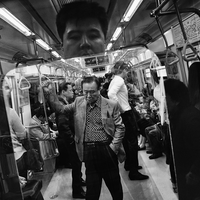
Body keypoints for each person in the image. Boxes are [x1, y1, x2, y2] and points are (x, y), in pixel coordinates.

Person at [43, 76, 125, 200]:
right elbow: (60, 109)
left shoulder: (111, 105)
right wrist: (50, 93)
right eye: (85, 92)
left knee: (115, 187)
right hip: (88, 151)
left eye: (92, 92)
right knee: (92, 190)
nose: (88, 95)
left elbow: (120, 127)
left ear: (99, 89)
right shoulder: (78, 102)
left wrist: (114, 147)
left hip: (106, 149)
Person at [108, 61, 149, 181]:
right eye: (126, 70)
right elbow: (111, 95)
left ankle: (129, 165)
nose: (127, 73)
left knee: (126, 141)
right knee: (132, 142)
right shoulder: (119, 80)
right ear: (123, 70)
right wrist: (120, 109)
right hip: (126, 114)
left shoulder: (115, 79)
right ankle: (134, 172)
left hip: (123, 114)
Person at [164, 78, 200, 200]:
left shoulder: (190, 121)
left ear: (176, 100)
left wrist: (194, 173)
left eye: (166, 99)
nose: (164, 103)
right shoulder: (178, 118)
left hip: (193, 182)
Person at [55, 81, 86, 199]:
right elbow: (63, 125)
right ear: (63, 92)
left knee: (77, 163)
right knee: (76, 163)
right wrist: (71, 140)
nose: (72, 92)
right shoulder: (61, 105)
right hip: (70, 140)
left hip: (72, 137)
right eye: (70, 90)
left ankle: (79, 180)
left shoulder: (66, 102)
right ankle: (77, 191)